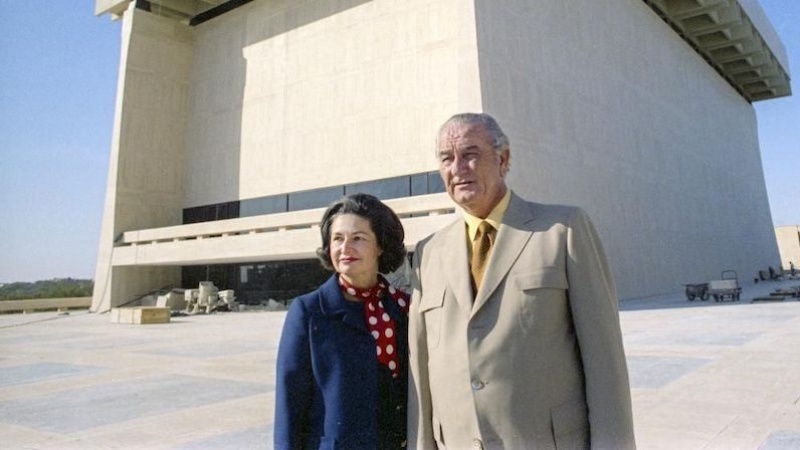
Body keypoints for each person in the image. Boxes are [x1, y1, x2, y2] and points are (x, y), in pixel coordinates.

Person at [408, 113, 636, 449]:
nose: (457, 168)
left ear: (503, 159)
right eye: (447, 158)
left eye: (470, 154)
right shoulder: (428, 252)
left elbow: (605, 361)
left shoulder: (564, 230)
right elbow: (420, 368)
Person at [274, 193, 410, 449]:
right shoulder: (309, 311)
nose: (345, 248)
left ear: (380, 245)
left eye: (358, 238)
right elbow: (289, 406)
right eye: (338, 239)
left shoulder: (404, 308)